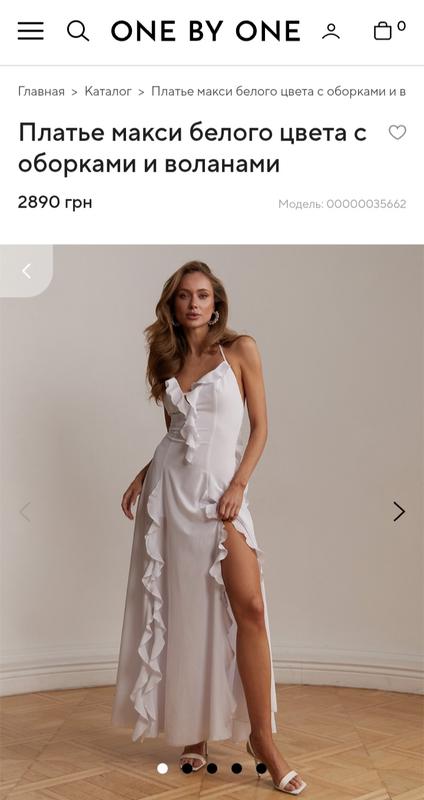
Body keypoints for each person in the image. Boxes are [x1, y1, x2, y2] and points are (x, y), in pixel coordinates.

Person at [111, 260, 307, 794]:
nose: (193, 303)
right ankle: (193, 732)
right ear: (172, 306)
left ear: (216, 302)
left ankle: (262, 740)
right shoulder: (167, 357)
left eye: (202, 295)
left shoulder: (240, 350)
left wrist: (239, 485)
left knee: (251, 608)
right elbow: (178, 434)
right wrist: (144, 472)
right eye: (184, 296)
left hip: (221, 496)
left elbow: (260, 427)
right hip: (170, 495)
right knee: (187, 612)